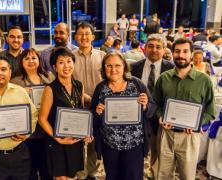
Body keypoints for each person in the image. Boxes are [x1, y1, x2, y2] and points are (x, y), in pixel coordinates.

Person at [153, 38, 215, 180]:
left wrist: (197, 124)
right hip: (166, 134)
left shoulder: (204, 80)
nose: (181, 55)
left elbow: (210, 111)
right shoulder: (164, 78)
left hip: (190, 136)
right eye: (177, 51)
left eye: (185, 51)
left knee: (187, 175)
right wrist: (160, 116)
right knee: (163, 174)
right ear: (172, 53)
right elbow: (155, 103)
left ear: (191, 54)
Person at [91, 51, 154, 180]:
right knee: (112, 176)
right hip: (109, 145)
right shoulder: (100, 88)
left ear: (124, 66)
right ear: (104, 68)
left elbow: (152, 108)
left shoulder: (137, 84)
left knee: (133, 177)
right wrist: (97, 112)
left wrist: (146, 106)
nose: (113, 69)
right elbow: (92, 116)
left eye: (117, 65)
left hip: (134, 145)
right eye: (109, 66)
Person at [39, 47, 93, 180]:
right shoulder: (50, 89)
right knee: (62, 178)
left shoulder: (79, 86)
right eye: (61, 62)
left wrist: (86, 132)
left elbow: (80, 112)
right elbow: (42, 119)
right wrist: (57, 138)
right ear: (54, 67)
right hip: (57, 141)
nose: (66, 66)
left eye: (69, 61)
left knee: (72, 175)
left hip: (74, 139)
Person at [131, 34, 174, 179]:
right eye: (150, 46)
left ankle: (154, 175)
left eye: (158, 47)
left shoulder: (171, 69)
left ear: (164, 50)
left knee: (158, 151)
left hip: (161, 118)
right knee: (137, 150)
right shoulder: (135, 67)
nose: (154, 50)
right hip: (139, 116)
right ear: (145, 48)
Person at [10, 48, 55, 180]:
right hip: (28, 133)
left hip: (47, 129)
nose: (31, 61)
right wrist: (22, 93)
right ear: (21, 62)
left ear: (39, 60)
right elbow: (11, 105)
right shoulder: (15, 82)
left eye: (34, 58)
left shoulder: (48, 77)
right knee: (30, 169)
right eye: (27, 58)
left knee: (47, 168)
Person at [73, 21, 106, 179]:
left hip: (99, 107)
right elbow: (67, 83)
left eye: (87, 34)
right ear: (75, 37)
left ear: (93, 36)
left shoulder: (102, 56)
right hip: (77, 106)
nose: (84, 37)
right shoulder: (70, 58)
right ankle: (79, 173)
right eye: (80, 34)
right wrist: (85, 97)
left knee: (95, 141)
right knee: (77, 142)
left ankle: (92, 173)